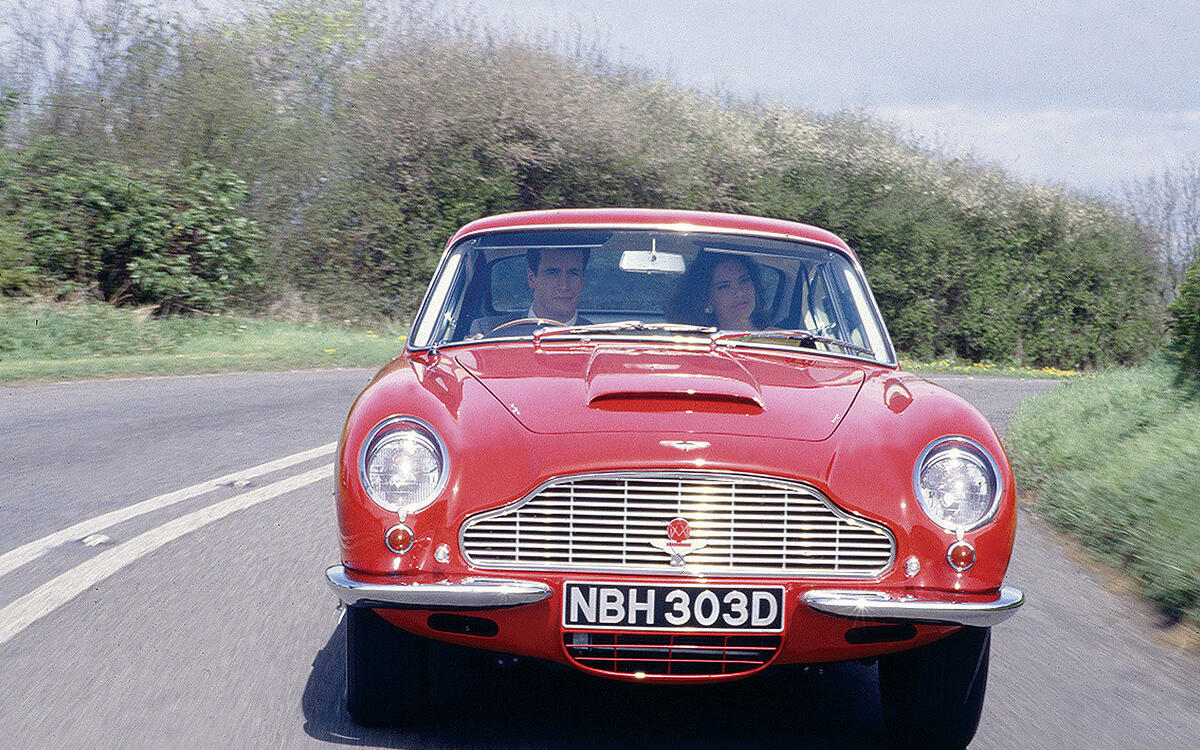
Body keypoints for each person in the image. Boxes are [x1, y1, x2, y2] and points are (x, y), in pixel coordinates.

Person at [469, 246, 592, 335]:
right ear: (532, 279)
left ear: (582, 280)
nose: (564, 285)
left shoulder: (603, 339)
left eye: (573, 273)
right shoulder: (488, 330)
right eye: (552, 273)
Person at [667, 251, 767, 330]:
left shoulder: (778, 340)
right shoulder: (697, 347)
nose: (739, 293)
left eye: (744, 281)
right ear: (706, 299)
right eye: (724, 287)